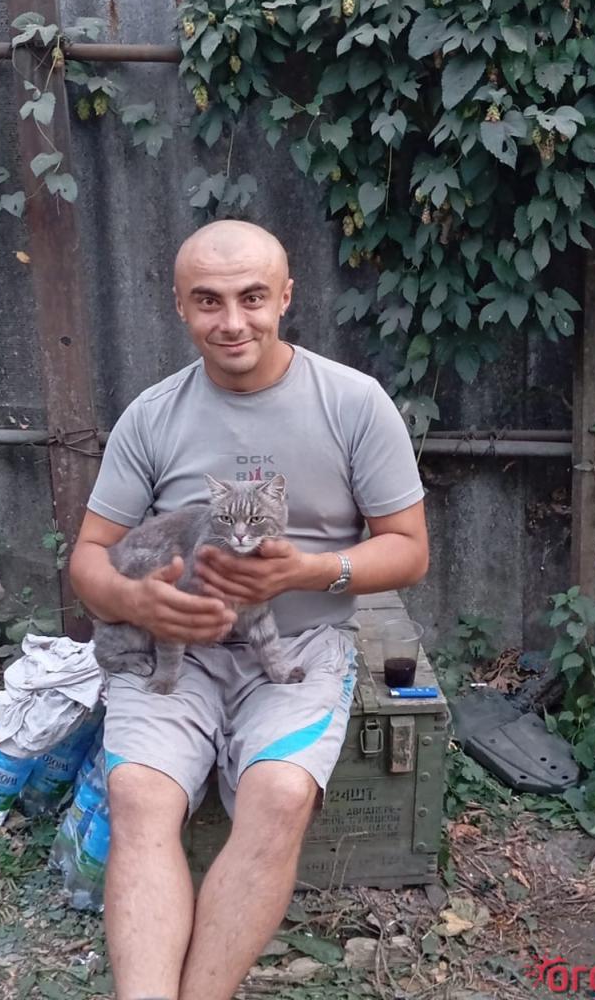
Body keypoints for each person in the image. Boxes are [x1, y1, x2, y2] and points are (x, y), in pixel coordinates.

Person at [69, 220, 428, 1000]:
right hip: (174, 653)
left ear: (286, 297)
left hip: (297, 646)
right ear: (180, 306)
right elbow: (88, 558)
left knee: (281, 795)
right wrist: (135, 599)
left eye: (252, 297)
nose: (232, 321)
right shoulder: (152, 415)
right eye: (208, 301)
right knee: (138, 796)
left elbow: (408, 548)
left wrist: (313, 569)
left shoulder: (353, 403)